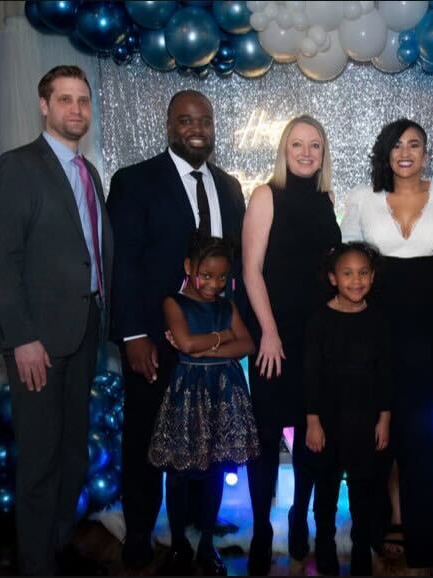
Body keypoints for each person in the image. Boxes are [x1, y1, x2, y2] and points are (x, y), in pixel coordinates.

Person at [0, 65, 112, 576]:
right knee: (40, 460)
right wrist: (23, 339)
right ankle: (36, 566)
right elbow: (1, 262)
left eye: (83, 100)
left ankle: (55, 546)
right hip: (38, 340)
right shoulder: (17, 167)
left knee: (73, 454)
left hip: (84, 332)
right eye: (65, 100)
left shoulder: (87, 171)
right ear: (44, 106)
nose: (76, 109)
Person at [107, 89, 246, 569]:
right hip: (153, 341)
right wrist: (131, 335)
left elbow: (236, 267)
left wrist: (234, 334)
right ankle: (141, 533)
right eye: (185, 120)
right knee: (146, 438)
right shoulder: (135, 181)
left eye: (204, 120)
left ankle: (195, 537)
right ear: (169, 125)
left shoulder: (229, 187)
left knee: (205, 445)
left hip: (210, 345)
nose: (196, 128)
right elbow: (121, 263)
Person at [341, 118, 433, 568]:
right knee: (379, 430)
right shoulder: (362, 199)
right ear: (386, 153)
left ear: (426, 153)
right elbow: (348, 270)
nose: (406, 152)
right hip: (375, 334)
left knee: (420, 431)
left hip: (431, 336)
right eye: (398, 145)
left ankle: (428, 526)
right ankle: (381, 520)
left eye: (415, 144)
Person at [242, 115, 341, 575]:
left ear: (323, 153)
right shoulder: (266, 195)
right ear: (284, 150)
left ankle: (300, 517)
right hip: (273, 337)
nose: (305, 152)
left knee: (311, 436)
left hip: (318, 337)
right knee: (264, 438)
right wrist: (269, 331)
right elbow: (251, 271)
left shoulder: (326, 200)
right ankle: (262, 529)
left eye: (314, 145)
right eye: (297, 144)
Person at [147, 235, 259, 576]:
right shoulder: (173, 303)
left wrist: (205, 347)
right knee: (179, 472)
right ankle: (179, 543)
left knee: (214, 469)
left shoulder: (227, 306)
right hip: (188, 392)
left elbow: (249, 345)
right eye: (206, 275)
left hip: (224, 393)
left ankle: (207, 543)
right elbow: (184, 343)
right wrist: (223, 338)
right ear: (188, 267)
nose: (214, 284)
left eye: (222, 278)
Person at [302, 242, 391, 576]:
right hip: (327, 419)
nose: (357, 281)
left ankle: (360, 547)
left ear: (372, 277)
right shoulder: (319, 320)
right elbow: (310, 375)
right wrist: (312, 421)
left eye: (363, 273)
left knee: (363, 487)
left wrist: (384, 418)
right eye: (348, 273)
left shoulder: (379, 320)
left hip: (365, 420)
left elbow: (385, 374)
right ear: (332, 278)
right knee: (325, 487)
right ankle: (323, 542)